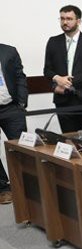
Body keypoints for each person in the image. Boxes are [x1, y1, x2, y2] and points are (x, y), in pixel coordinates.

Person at [42, 5, 82, 132]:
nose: (65, 22)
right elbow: (47, 70)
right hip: (63, 100)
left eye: (69, 19)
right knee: (68, 139)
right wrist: (57, 79)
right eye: (62, 18)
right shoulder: (53, 42)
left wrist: (70, 81)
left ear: (78, 21)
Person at [0, 41, 28, 205]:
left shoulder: (9, 51)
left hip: (11, 107)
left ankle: (27, 185)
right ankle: (3, 188)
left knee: (20, 147)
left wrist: (22, 102)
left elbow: (19, 76)